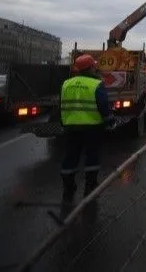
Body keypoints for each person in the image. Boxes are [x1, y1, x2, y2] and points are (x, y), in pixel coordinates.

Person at [60, 54, 111, 205]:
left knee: (71, 155)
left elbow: (61, 105)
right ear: (90, 68)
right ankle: (90, 185)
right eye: (94, 66)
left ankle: (68, 186)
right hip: (92, 127)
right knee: (92, 155)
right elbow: (103, 105)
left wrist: (64, 123)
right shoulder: (96, 84)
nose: (96, 67)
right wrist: (108, 120)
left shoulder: (67, 84)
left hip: (71, 126)